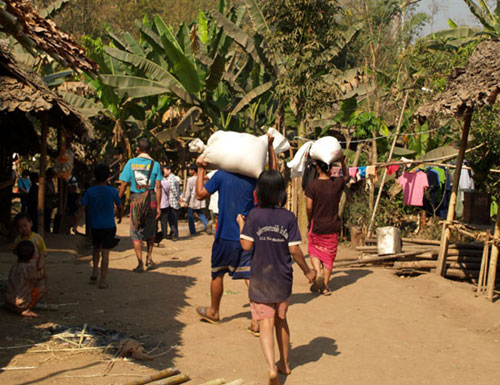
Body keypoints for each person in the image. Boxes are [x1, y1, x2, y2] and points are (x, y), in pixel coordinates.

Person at [237, 170, 316, 385]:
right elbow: (295, 251)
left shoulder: (254, 215)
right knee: (282, 321)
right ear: (281, 192)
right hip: (282, 279)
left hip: (261, 279)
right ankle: (285, 364)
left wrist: (241, 225)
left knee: (265, 324)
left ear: (259, 191)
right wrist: (308, 271)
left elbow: (246, 246)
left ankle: (271, 368)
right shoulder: (288, 217)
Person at [194, 134, 277, 330]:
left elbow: (199, 195)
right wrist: (270, 147)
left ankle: (214, 311)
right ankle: (256, 320)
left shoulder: (222, 176)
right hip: (246, 236)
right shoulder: (254, 179)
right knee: (249, 277)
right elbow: (274, 173)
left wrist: (200, 168)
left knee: (217, 275)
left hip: (224, 235)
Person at [73, 164, 123, 289]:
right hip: (109, 226)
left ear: (94, 176)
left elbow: (81, 209)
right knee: (105, 252)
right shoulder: (112, 191)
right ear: (108, 177)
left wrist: (74, 225)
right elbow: (120, 206)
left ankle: (94, 271)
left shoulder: (90, 192)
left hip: (95, 226)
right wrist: (120, 216)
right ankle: (103, 280)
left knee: (96, 249)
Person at [305, 156, 349, 295]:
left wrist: (310, 219)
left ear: (317, 168)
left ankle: (318, 273)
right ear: (330, 168)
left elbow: (309, 207)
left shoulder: (312, 186)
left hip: (317, 226)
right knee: (329, 256)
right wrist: (342, 161)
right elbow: (347, 175)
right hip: (332, 227)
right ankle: (325, 286)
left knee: (314, 251)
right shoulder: (336, 183)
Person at [118, 138, 162, 273]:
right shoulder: (155, 164)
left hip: (136, 199)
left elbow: (124, 183)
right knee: (151, 229)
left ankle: (140, 263)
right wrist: (159, 207)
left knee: (136, 232)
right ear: (150, 150)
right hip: (152, 199)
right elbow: (158, 186)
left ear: (137, 149)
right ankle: (149, 258)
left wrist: (117, 199)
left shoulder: (131, 163)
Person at [4, 240, 47, 317]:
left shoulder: (14, 266)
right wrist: (42, 257)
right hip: (21, 306)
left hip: (8, 302)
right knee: (42, 288)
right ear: (33, 255)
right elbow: (40, 276)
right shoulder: (29, 268)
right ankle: (26, 309)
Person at [182, 164, 208, 235]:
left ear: (193, 170)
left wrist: (185, 200)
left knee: (190, 216)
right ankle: (207, 225)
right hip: (200, 199)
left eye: (190, 170)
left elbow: (188, 191)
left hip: (192, 200)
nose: (189, 171)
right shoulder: (202, 178)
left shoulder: (190, 179)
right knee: (201, 214)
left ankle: (193, 231)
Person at [163, 165, 181, 240]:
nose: (164, 172)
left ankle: (174, 235)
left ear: (169, 170)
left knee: (173, 219)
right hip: (173, 202)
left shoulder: (171, 179)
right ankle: (172, 233)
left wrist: (178, 199)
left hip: (172, 202)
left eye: (164, 170)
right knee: (172, 219)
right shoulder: (173, 178)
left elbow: (174, 190)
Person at [159, 169, 171, 242]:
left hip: (156, 203)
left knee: (155, 221)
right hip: (165, 203)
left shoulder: (154, 181)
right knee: (164, 220)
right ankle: (164, 235)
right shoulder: (166, 182)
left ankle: (154, 234)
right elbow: (168, 191)